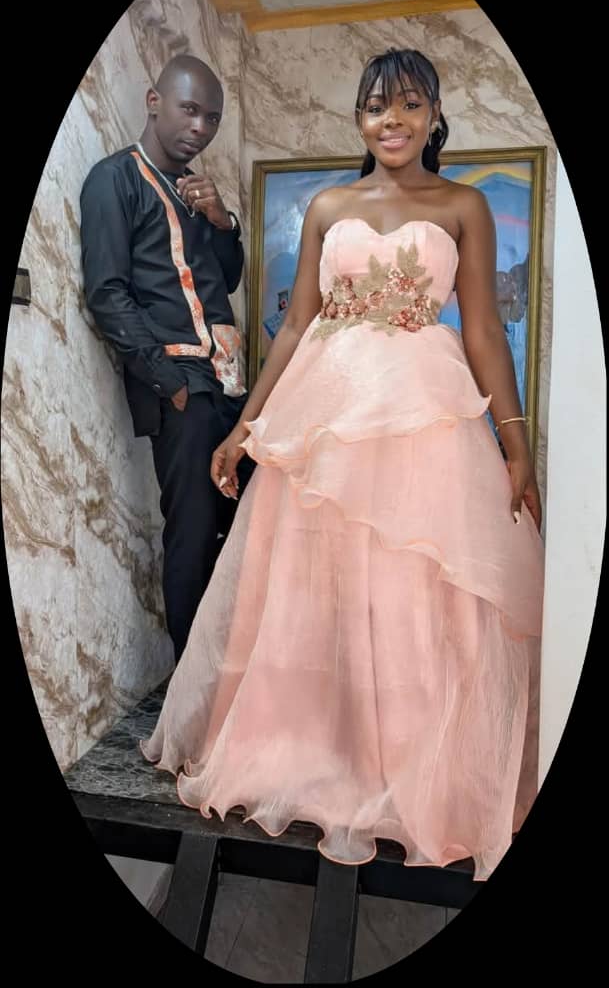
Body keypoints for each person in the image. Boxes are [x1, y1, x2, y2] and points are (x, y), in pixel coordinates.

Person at [142, 48, 544, 882]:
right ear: (359, 120)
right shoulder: (329, 206)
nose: (389, 120)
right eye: (373, 107)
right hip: (324, 413)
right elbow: (296, 327)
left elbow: (479, 331)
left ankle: (406, 767)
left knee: (408, 589)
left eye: (407, 104)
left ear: (433, 115)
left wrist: (514, 441)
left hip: (421, 416)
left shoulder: (462, 205)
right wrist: (244, 429)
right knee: (309, 588)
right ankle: (312, 748)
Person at [80, 54, 254, 662]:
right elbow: (107, 292)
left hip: (230, 384)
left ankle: (232, 671)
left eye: (212, 118)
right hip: (181, 387)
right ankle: (189, 686)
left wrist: (223, 222)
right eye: (190, 110)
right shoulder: (115, 179)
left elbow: (226, 280)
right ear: (154, 102)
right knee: (192, 534)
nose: (200, 127)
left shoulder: (197, 191)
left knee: (244, 525)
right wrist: (168, 383)